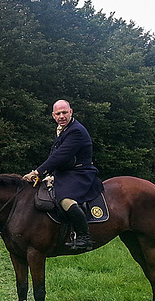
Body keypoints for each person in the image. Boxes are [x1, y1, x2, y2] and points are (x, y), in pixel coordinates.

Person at [23, 99, 103, 251]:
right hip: (67, 172)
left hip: (81, 173)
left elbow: (59, 156)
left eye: (64, 112)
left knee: (64, 198)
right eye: (58, 113)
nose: (61, 116)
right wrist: (49, 174)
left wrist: (37, 172)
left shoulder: (76, 131)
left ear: (71, 112)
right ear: (53, 115)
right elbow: (55, 156)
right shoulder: (62, 130)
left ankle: (84, 237)